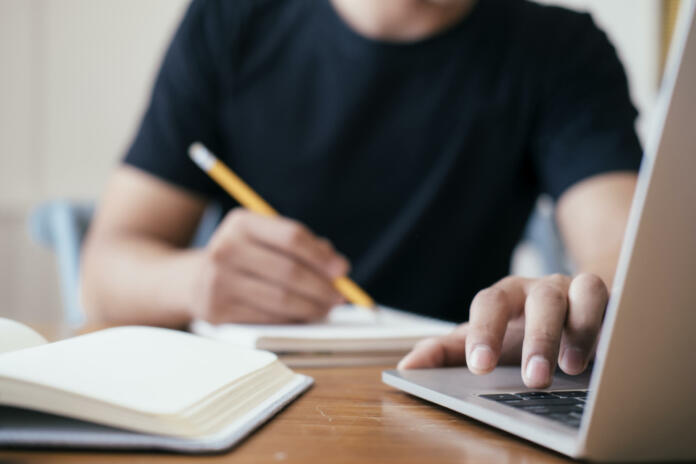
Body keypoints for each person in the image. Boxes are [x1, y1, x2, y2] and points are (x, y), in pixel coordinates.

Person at [81, 0, 641, 389]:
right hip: (250, 391)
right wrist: (196, 282)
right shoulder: (230, 22)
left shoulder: (562, 50)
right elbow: (105, 272)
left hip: (446, 387)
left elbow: (626, 252)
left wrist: (570, 308)